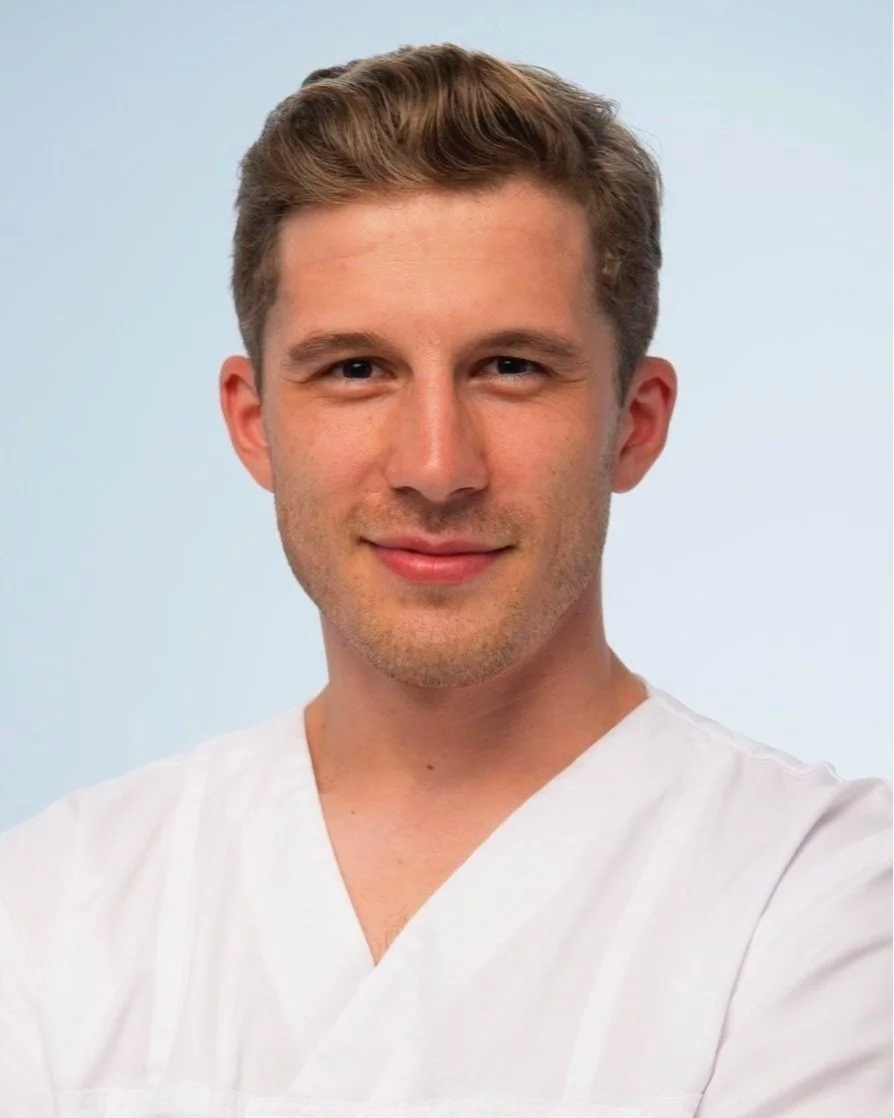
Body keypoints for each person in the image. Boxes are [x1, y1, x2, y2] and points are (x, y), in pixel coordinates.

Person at [0, 42, 889, 1118]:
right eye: (356, 369)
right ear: (255, 423)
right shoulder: (57, 901)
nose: (434, 468)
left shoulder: (821, 895)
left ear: (633, 424)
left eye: (510, 367)